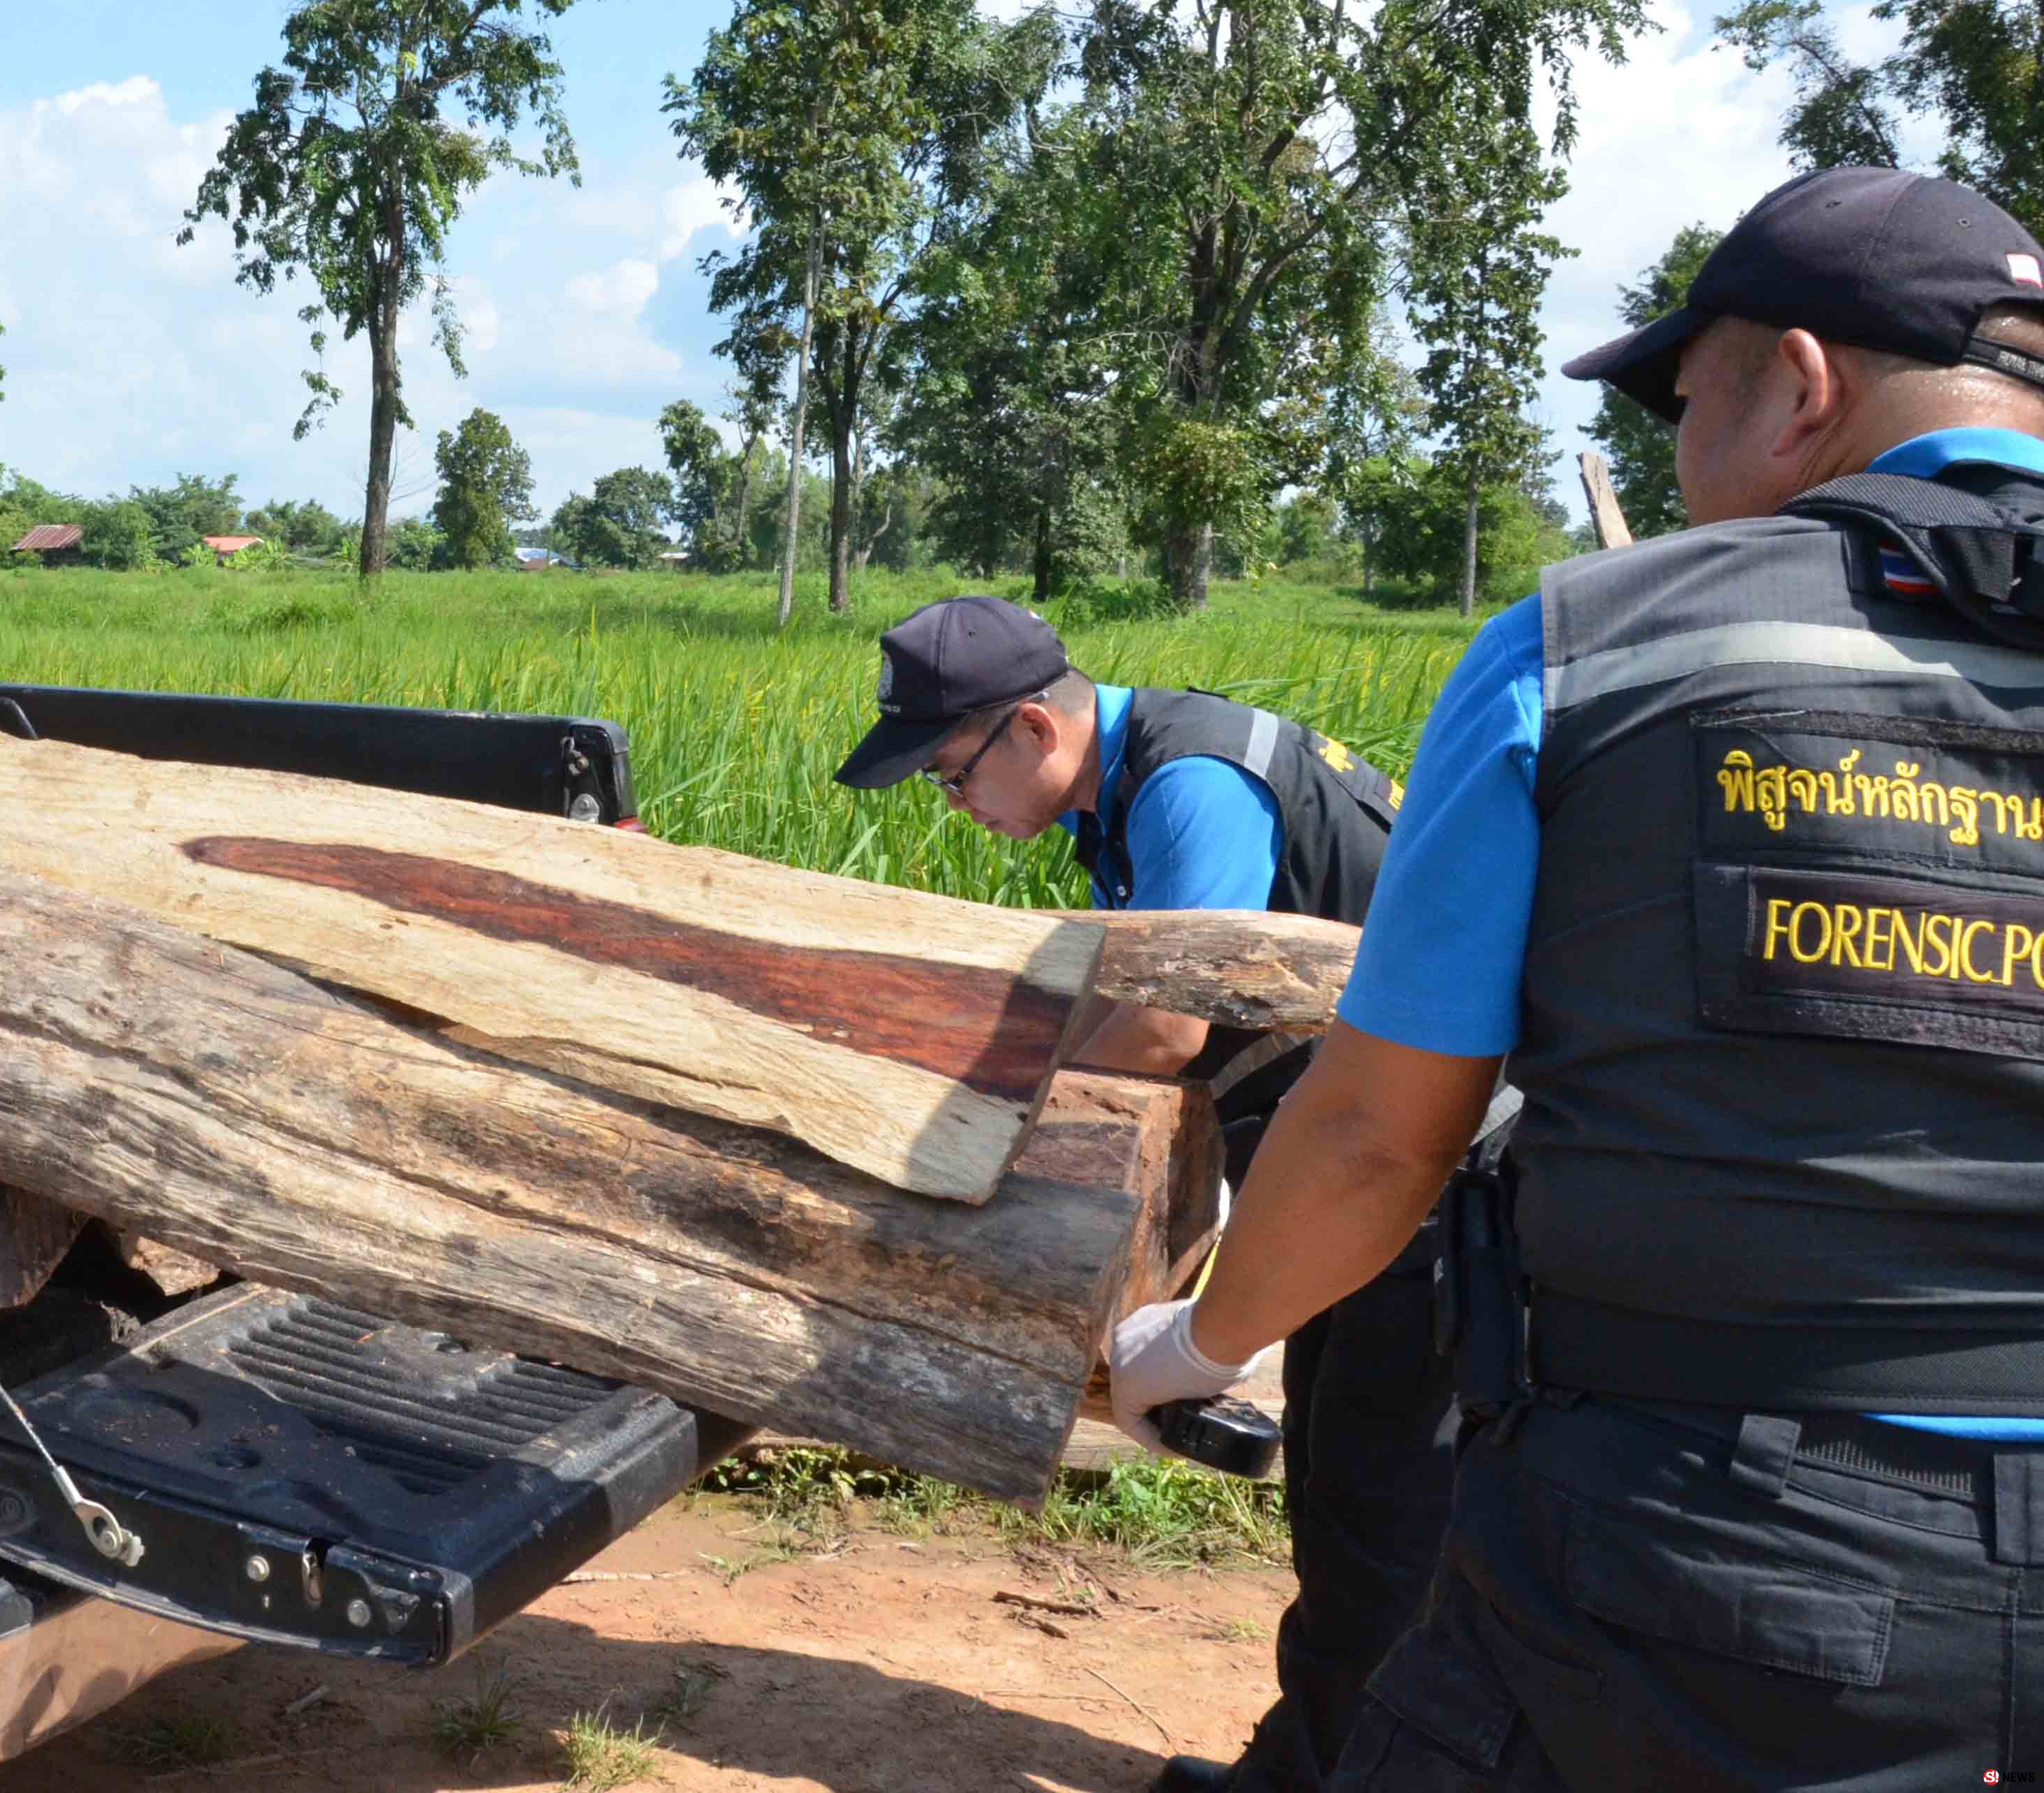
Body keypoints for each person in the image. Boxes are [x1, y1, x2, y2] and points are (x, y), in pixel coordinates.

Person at [1103, 167, 2044, 1792]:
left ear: (1799, 386)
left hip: (1701, 1551)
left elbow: (1381, 1139)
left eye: (1686, 402)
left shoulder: (1595, 648)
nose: (1677, 465)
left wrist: (1191, 1347)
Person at [837, 595, 1466, 1793]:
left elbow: (1171, 1026)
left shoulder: (1192, 787)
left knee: (1380, 1509)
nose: (953, 804)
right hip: (1361, 1170)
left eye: (950, 774)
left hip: (1430, 1180)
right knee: (1351, 1494)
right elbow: (1117, 998)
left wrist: (984, 1119)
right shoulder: (1125, 790)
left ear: (1031, 727)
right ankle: (1319, 1763)